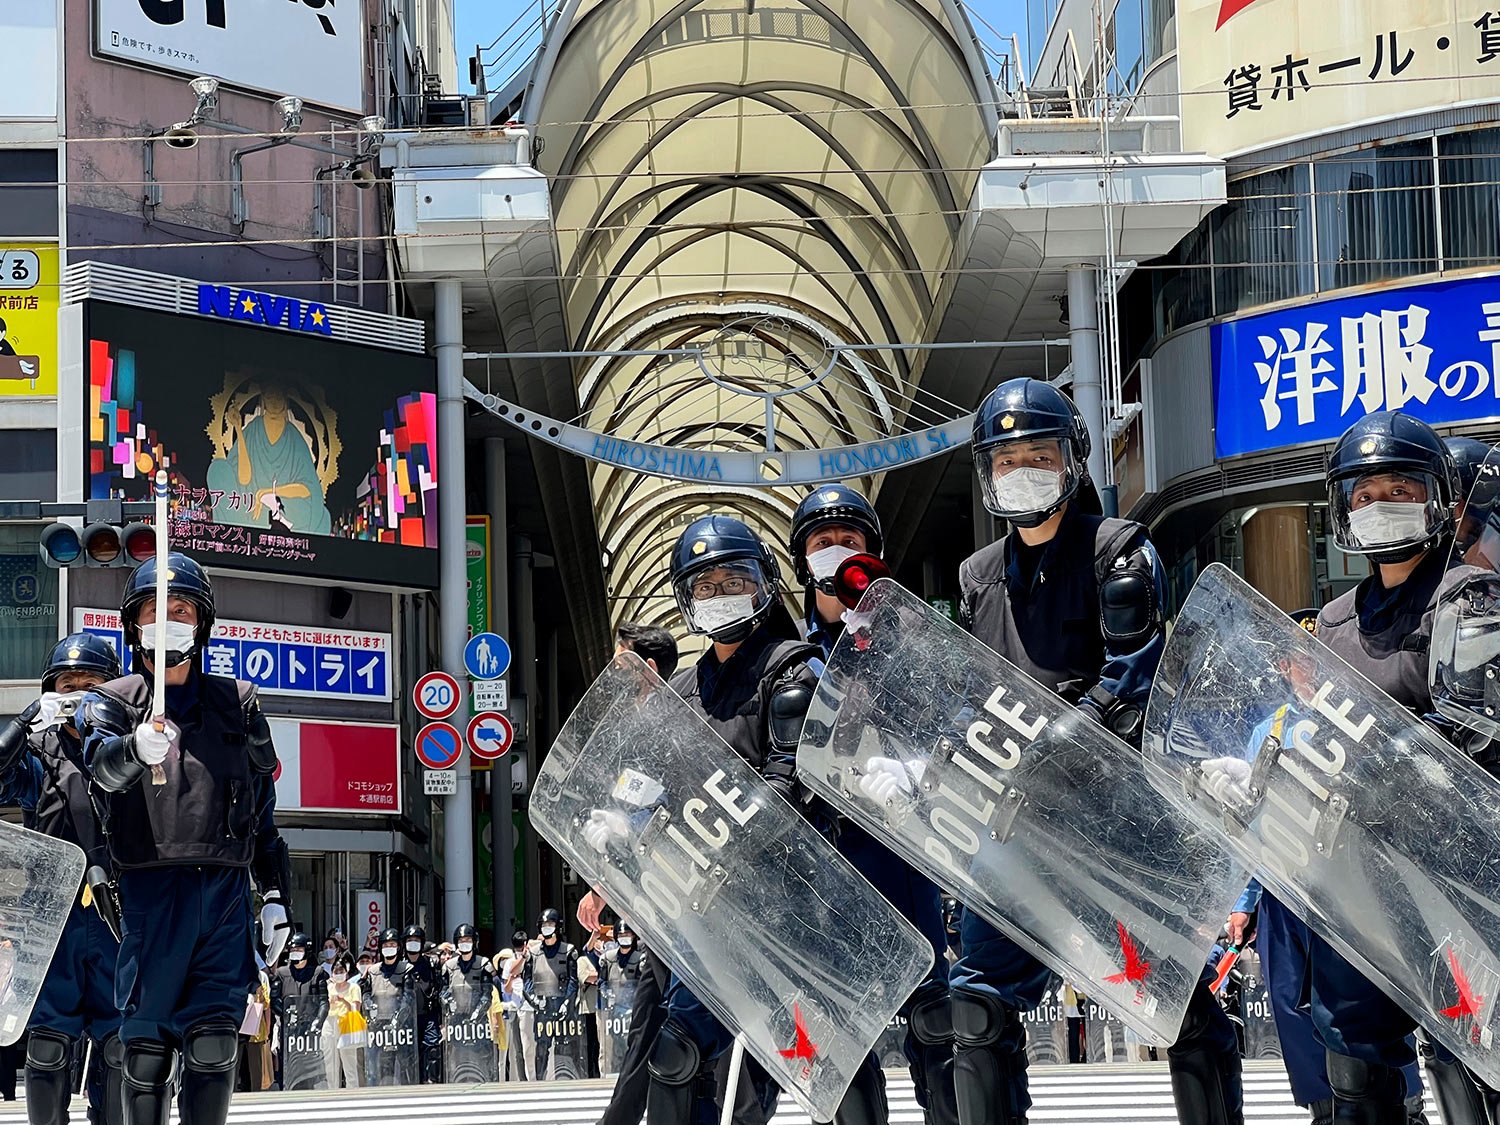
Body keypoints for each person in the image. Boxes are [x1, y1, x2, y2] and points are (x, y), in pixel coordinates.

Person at [942, 379, 1240, 1125]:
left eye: (1038, 455)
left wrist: (1051, 746)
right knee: (975, 1005)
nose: (1022, 471)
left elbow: (1129, 681)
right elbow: (971, 687)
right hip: (1016, 831)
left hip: (1115, 820)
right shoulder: (976, 577)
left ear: (1072, 460)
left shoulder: (1120, 552)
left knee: (1177, 1004)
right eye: (1005, 460)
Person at [623, 514, 879, 1125]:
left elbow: (788, 783)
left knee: (832, 1061)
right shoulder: (681, 691)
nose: (720, 596)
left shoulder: (792, 670)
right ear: (685, 600)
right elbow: (657, 788)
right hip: (712, 914)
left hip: (795, 908)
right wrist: (623, 834)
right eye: (704, 587)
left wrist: (728, 838)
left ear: (763, 582)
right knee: (677, 1054)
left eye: (733, 579)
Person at [1305, 412, 1481, 1122]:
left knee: (1466, 1057)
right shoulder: (1337, 618)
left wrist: (1385, 759)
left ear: (1436, 495)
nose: (1382, 506)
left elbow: (1471, 729)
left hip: (1451, 877)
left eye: (1400, 487)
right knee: (1354, 1063)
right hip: (1358, 882)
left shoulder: (1469, 595)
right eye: (1365, 493)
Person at [77, 553, 290, 1125]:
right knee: (144, 1052)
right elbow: (98, 767)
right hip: (149, 894)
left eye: (180, 610)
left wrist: (274, 895)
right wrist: (130, 751)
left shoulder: (237, 702)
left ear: (202, 623)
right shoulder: (115, 702)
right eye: (154, 610)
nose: (167, 620)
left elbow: (262, 811)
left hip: (223, 897)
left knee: (213, 1046)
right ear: (133, 623)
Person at [789, 485, 958, 1125]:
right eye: (822, 544)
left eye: (850, 543)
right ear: (803, 561)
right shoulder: (787, 656)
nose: (835, 555)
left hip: (898, 848)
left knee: (936, 1021)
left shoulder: (909, 637)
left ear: (874, 553)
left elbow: (957, 724)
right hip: (824, 867)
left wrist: (918, 770)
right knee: (835, 1038)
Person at [0, 633, 123, 1125]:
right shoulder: (38, 756)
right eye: (65, 687)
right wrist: (29, 719)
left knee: (119, 1048)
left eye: (90, 686)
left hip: (119, 914)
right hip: (53, 918)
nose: (77, 695)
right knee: (48, 1046)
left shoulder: (133, 749)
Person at [523, 908, 579, 1081]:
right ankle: (540, 1082)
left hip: (563, 1007)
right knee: (541, 1049)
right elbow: (527, 982)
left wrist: (567, 1003)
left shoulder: (569, 951)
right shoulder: (533, 954)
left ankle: (566, 1081)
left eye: (551, 924)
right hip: (542, 1007)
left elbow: (573, 980)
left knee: (565, 1048)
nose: (547, 928)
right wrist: (535, 1001)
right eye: (544, 925)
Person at [272, 933, 326, 1091]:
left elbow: (324, 1002)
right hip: (288, 1031)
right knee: (287, 1070)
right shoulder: (281, 973)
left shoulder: (317, 973)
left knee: (309, 1074)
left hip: (309, 1032)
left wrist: (318, 1021)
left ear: (307, 951)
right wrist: (286, 1015)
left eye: (299, 949)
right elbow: (274, 999)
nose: (295, 952)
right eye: (292, 950)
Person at [366, 928, 414, 1086]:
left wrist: (397, 1020)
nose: (389, 947)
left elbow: (408, 998)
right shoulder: (372, 971)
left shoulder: (406, 970)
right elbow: (366, 994)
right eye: (386, 944)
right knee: (380, 1069)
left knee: (404, 1068)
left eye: (393, 944)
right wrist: (370, 1009)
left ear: (398, 947)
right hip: (378, 1028)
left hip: (400, 1027)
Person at [399, 924, 440, 1083]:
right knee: (407, 1053)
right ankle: (410, 1083)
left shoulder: (431, 964)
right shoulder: (401, 966)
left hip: (428, 1015)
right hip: (407, 1017)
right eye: (410, 940)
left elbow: (439, 986)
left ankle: (431, 1082)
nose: (413, 943)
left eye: (416, 940)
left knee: (432, 1050)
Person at [324, 952, 364, 1089]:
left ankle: (352, 1091)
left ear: (346, 972)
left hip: (346, 1023)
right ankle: (332, 1091)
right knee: (330, 1062)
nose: (338, 973)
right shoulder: (329, 987)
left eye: (341, 971)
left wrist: (343, 1000)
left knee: (349, 1062)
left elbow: (355, 1008)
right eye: (336, 971)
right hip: (330, 1022)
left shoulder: (354, 988)